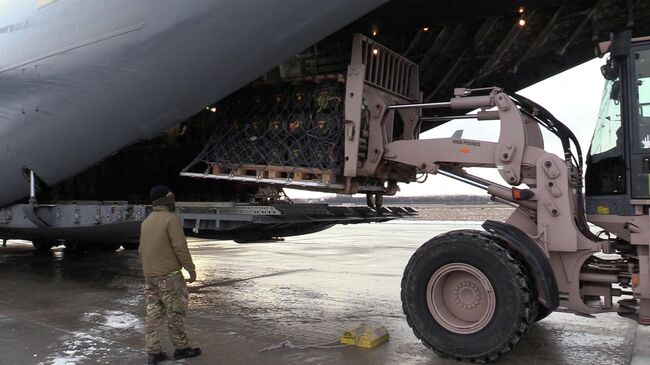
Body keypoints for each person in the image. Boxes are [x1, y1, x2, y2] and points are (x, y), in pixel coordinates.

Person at [139, 185, 201, 365]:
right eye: (169, 195)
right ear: (163, 199)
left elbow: (142, 250)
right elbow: (180, 247)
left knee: (153, 314)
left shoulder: (147, 221)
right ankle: (181, 349)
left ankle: (154, 353)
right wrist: (190, 268)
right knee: (175, 313)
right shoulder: (171, 219)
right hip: (169, 276)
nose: (172, 197)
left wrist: (148, 270)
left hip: (150, 276)